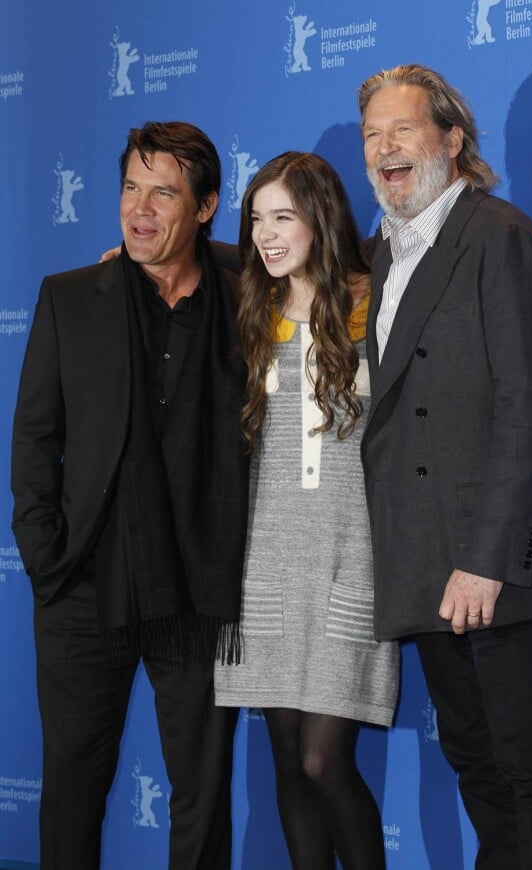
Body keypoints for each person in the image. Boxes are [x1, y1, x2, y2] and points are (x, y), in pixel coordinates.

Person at [358, 63, 532, 868]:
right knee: (477, 765)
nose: (384, 148)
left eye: (402, 130)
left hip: (498, 576)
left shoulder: (500, 235)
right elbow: (286, 268)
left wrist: (485, 563)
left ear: (452, 142)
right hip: (428, 570)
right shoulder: (378, 256)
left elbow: (528, 410)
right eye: (372, 135)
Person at [11, 121, 249, 870]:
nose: (140, 210)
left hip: (199, 586)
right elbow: (33, 439)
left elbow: (349, 263)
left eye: (164, 194)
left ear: (206, 206)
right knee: (74, 790)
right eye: (130, 189)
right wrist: (48, 557)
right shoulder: (71, 298)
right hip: (86, 584)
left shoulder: (248, 289)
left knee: (200, 795)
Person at [214, 151, 399, 870]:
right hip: (263, 564)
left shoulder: (376, 298)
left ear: (319, 217)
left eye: (283, 216)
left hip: (348, 559)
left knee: (325, 762)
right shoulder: (250, 309)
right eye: (256, 219)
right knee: (288, 763)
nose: (265, 233)